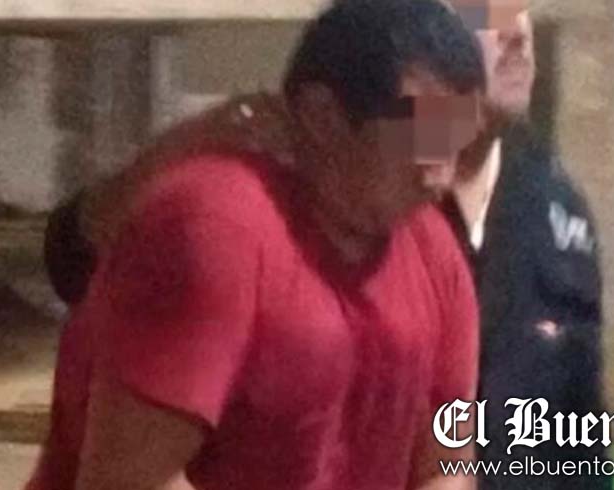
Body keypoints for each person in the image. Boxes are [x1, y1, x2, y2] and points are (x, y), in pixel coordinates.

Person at [26, 1, 486, 489]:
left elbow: (446, 468)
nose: (441, 178)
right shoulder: (212, 231)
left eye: (457, 144)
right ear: (323, 117)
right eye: (424, 139)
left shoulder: (435, 252)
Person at [444, 1, 610, 488]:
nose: (516, 32)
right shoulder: (365, 207)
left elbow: (581, 436)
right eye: (483, 11)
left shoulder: (555, 205)